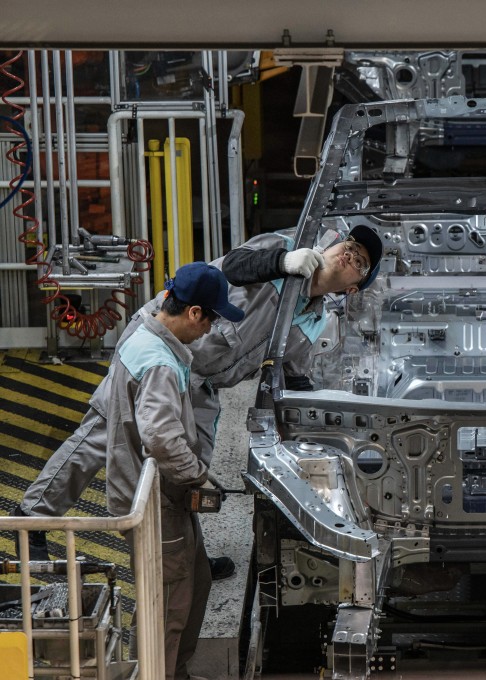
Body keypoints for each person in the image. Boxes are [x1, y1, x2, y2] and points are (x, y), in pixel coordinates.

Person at [14, 225, 384, 566]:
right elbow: (235, 265)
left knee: (192, 467)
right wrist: (283, 262)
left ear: (352, 288)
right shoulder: (287, 247)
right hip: (164, 343)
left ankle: (183, 556)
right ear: (335, 242)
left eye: (361, 263)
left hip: (203, 380)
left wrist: (317, 426)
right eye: (350, 246)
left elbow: (294, 372)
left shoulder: (316, 319)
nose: (351, 255)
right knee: (102, 436)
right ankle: (31, 520)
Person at [104, 261, 244, 680]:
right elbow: (161, 437)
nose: (210, 330)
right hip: (153, 503)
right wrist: (197, 476)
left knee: (196, 582)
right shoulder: (160, 362)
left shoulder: (144, 334)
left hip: (160, 496)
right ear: (194, 312)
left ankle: (175, 672)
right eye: (212, 319)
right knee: (169, 605)